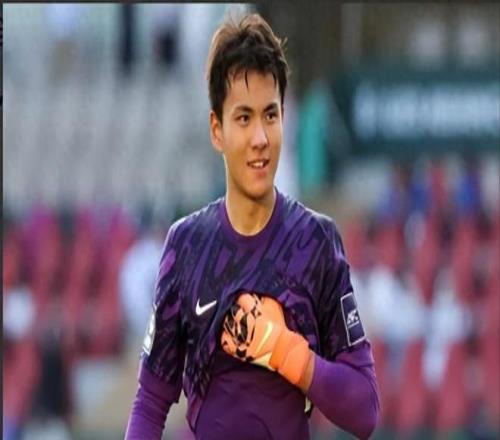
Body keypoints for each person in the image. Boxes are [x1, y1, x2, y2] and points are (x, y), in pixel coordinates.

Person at [125, 13, 379, 440]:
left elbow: (365, 410)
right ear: (217, 130)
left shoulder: (315, 242)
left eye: (270, 115)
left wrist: (286, 352)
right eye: (243, 118)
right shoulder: (186, 245)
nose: (261, 137)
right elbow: (150, 403)